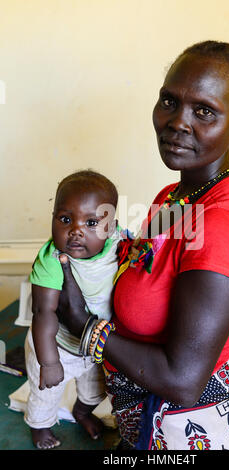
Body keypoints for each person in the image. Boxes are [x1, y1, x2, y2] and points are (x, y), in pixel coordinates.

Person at [56, 41, 229, 450]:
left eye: (203, 111)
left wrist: (84, 328)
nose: (177, 122)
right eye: (169, 102)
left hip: (190, 432)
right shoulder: (174, 197)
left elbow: (183, 380)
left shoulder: (221, 228)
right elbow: (145, 262)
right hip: (146, 417)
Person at [24, 170, 122, 449]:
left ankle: (82, 412)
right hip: (57, 345)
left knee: (95, 390)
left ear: (110, 228)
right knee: (47, 393)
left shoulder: (117, 244)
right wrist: (49, 362)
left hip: (94, 345)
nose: (76, 230)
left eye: (91, 222)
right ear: (53, 217)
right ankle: (39, 427)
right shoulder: (52, 260)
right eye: (65, 219)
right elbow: (43, 313)